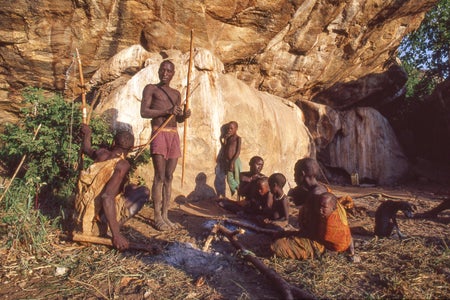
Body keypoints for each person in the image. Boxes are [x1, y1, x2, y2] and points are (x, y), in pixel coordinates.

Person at [75, 124, 149, 251]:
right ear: (131, 149)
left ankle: (107, 224)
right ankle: (111, 228)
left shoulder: (102, 153)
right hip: (92, 226)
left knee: (130, 187)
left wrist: (87, 133)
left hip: (78, 217)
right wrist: (117, 236)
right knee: (144, 192)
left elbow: (86, 148)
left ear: (114, 142)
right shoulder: (122, 165)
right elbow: (107, 197)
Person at [140, 60, 191, 231]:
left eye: (169, 71)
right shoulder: (151, 89)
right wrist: (167, 111)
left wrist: (184, 115)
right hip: (159, 133)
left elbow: (177, 118)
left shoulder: (176, 94)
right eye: (163, 70)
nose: (165, 74)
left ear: (173, 73)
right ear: (158, 71)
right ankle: (157, 218)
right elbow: (144, 112)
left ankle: (165, 215)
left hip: (173, 135)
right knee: (159, 176)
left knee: (169, 177)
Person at [271, 192, 356, 260]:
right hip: (314, 238)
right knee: (279, 235)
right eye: (319, 206)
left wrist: (351, 253)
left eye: (324, 207)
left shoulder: (334, 224)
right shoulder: (328, 212)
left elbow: (346, 238)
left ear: (333, 208)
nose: (320, 210)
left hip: (321, 247)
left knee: (277, 246)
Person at [218, 121, 241, 197]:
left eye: (231, 128)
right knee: (229, 179)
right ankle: (238, 190)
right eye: (228, 128)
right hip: (229, 161)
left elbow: (238, 152)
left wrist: (232, 162)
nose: (229, 130)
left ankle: (239, 194)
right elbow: (224, 148)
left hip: (235, 161)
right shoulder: (229, 138)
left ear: (236, 129)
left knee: (236, 178)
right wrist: (223, 140)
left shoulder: (238, 138)